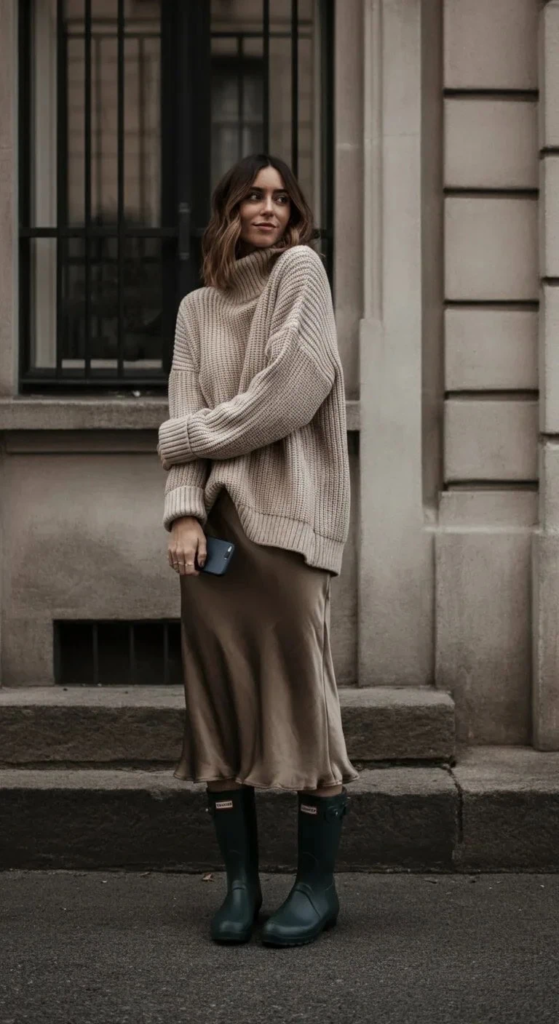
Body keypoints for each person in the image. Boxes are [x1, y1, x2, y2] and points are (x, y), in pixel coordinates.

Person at [157, 153, 358, 948]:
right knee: (220, 708)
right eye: (253, 197)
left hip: (284, 528)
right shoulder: (195, 309)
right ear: (229, 210)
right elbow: (183, 394)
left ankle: (315, 887)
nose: (268, 209)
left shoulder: (301, 273)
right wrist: (180, 511)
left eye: (280, 199)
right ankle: (241, 887)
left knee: (303, 706)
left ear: (294, 213)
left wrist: (185, 438)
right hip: (211, 540)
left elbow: (287, 393)